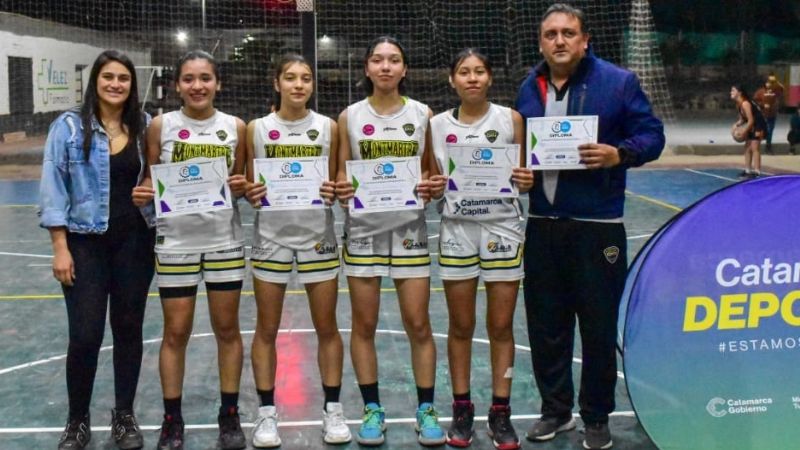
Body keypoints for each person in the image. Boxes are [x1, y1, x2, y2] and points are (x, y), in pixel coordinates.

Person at [515, 4, 664, 450]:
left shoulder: (618, 82)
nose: (559, 41)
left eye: (568, 33)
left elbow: (653, 136)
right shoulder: (529, 86)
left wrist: (620, 153)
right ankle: (555, 411)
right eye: (550, 34)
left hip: (597, 226)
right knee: (546, 325)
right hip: (542, 224)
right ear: (541, 41)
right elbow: (520, 149)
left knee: (597, 326)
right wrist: (519, 172)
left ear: (585, 39)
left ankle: (596, 415)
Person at [39, 49, 156, 450]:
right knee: (85, 336)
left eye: (123, 78)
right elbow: (53, 190)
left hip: (135, 244)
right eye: (108, 76)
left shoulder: (145, 125)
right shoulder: (68, 127)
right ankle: (77, 420)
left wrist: (157, 192)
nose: (115, 84)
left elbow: (163, 179)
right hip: (84, 245)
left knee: (128, 331)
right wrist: (60, 248)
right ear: (95, 81)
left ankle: (124, 415)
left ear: (132, 84)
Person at [334, 36, 445, 447]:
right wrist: (344, 187)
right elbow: (341, 172)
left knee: (418, 323)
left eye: (394, 60)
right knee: (363, 325)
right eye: (378, 60)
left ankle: (426, 409)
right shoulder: (349, 116)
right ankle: (372, 410)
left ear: (404, 69)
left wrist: (432, 186)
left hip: (410, 233)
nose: (385, 67)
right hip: (363, 232)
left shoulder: (423, 115)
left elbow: (432, 172)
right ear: (366, 68)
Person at [139, 50, 249, 450]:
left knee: (227, 331)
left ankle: (230, 416)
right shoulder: (160, 126)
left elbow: (245, 183)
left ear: (217, 83)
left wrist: (242, 188)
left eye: (205, 78)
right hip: (175, 244)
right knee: (176, 333)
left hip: (224, 241)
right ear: (177, 85)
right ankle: (172, 419)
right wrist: (144, 195)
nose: (197, 86)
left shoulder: (236, 127)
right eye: (189, 78)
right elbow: (149, 180)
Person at [243, 53, 351, 447]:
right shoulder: (255, 129)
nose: (299, 85)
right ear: (277, 83)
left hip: (317, 236)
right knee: (266, 329)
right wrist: (250, 192)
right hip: (270, 236)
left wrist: (337, 189)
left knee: (327, 327)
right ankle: (266, 414)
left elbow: (340, 181)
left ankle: (333, 410)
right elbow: (247, 183)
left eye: (306, 78)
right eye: (290, 77)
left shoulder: (328, 127)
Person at [427, 48, 533, 450]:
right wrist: (433, 187)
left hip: (502, 228)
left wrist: (526, 179)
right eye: (463, 72)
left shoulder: (511, 120)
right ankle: (462, 407)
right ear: (452, 80)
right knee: (461, 325)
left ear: (489, 77)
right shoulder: (435, 125)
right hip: (456, 230)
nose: (472, 78)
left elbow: (524, 174)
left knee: (502, 326)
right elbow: (430, 178)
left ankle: (501, 411)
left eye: (479, 71)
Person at [731, 85, 763, 178]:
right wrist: (736, 125)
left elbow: (751, 120)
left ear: (740, 93)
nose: (731, 92)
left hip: (758, 125)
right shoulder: (739, 104)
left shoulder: (745, 103)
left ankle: (757, 171)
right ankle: (747, 170)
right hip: (752, 125)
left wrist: (744, 131)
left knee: (754, 147)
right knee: (747, 148)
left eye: (733, 90)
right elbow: (742, 119)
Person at [753, 74, 784, 154]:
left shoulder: (775, 91)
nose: (769, 84)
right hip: (762, 115)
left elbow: (782, 89)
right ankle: (756, 146)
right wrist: (762, 105)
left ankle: (768, 146)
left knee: (770, 131)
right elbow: (754, 101)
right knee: (760, 131)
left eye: (770, 82)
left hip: (772, 115)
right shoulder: (760, 91)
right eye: (767, 82)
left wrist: (776, 81)